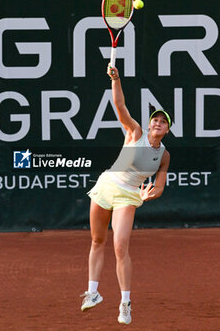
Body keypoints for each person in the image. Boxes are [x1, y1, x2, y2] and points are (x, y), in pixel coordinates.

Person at [80, 64, 171, 325]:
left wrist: (150, 195)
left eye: (163, 122)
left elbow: (160, 185)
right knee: (97, 241)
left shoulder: (164, 155)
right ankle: (93, 292)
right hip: (107, 184)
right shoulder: (136, 132)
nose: (157, 122)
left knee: (120, 246)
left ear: (166, 130)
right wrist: (116, 80)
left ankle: (125, 303)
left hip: (128, 195)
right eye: (155, 119)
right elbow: (120, 107)